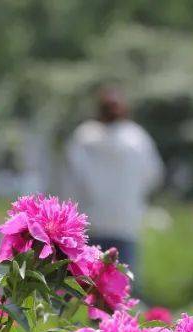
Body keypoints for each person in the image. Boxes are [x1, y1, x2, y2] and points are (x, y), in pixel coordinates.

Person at [63, 88, 163, 277]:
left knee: (82, 285)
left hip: (91, 221)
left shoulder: (84, 136)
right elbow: (153, 175)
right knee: (120, 288)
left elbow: (72, 177)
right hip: (125, 222)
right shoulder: (136, 138)